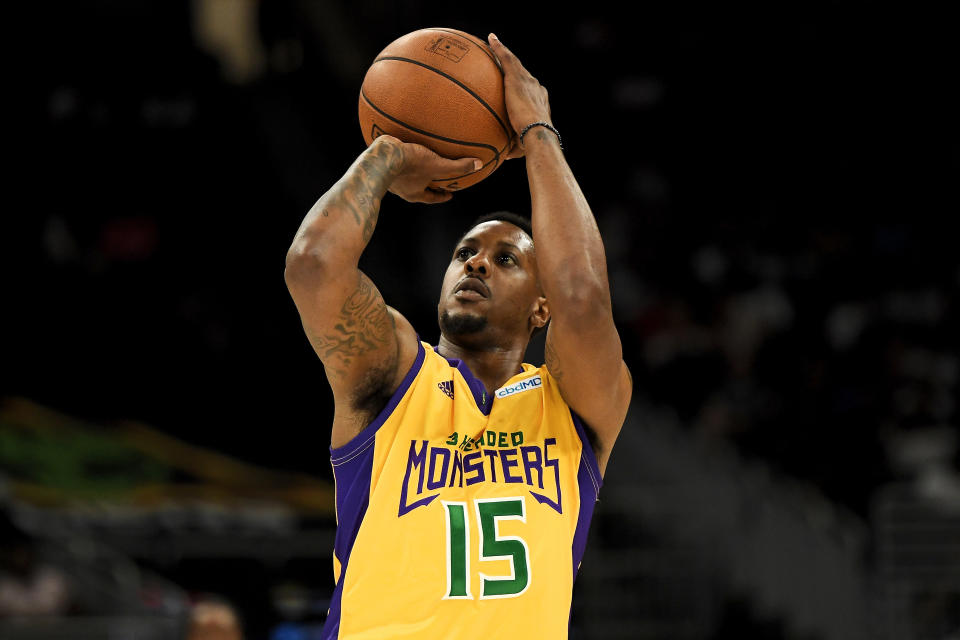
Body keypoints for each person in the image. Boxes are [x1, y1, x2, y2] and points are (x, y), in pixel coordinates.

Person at [284, 33, 632, 639]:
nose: (475, 264)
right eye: (465, 252)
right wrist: (388, 155)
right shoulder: (392, 370)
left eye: (506, 260)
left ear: (540, 308)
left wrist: (537, 133)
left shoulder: (574, 405)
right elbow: (312, 265)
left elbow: (584, 294)